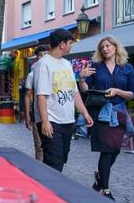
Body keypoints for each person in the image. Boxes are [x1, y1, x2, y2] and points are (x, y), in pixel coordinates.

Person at [77, 35, 134, 200]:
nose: (105, 49)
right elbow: (84, 89)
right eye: (102, 47)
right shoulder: (96, 67)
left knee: (115, 150)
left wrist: (118, 91)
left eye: (108, 46)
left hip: (119, 113)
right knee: (106, 150)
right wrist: (81, 78)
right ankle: (106, 189)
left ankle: (100, 177)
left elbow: (133, 94)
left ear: (115, 47)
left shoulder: (127, 68)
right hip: (101, 113)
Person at [35, 29, 94, 172]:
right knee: (54, 163)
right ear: (62, 44)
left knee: (60, 160)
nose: (71, 46)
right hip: (52, 122)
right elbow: (40, 95)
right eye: (70, 43)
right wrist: (45, 121)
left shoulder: (67, 64)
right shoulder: (44, 64)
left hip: (67, 121)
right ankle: (49, 193)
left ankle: (49, 191)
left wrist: (85, 113)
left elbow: (74, 92)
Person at [23, 43, 49, 161]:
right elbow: (27, 96)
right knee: (39, 146)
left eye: (45, 54)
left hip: (53, 115)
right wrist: (27, 115)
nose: (43, 56)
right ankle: (40, 170)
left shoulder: (52, 73)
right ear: (37, 57)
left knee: (52, 147)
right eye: (40, 54)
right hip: (37, 115)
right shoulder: (32, 75)